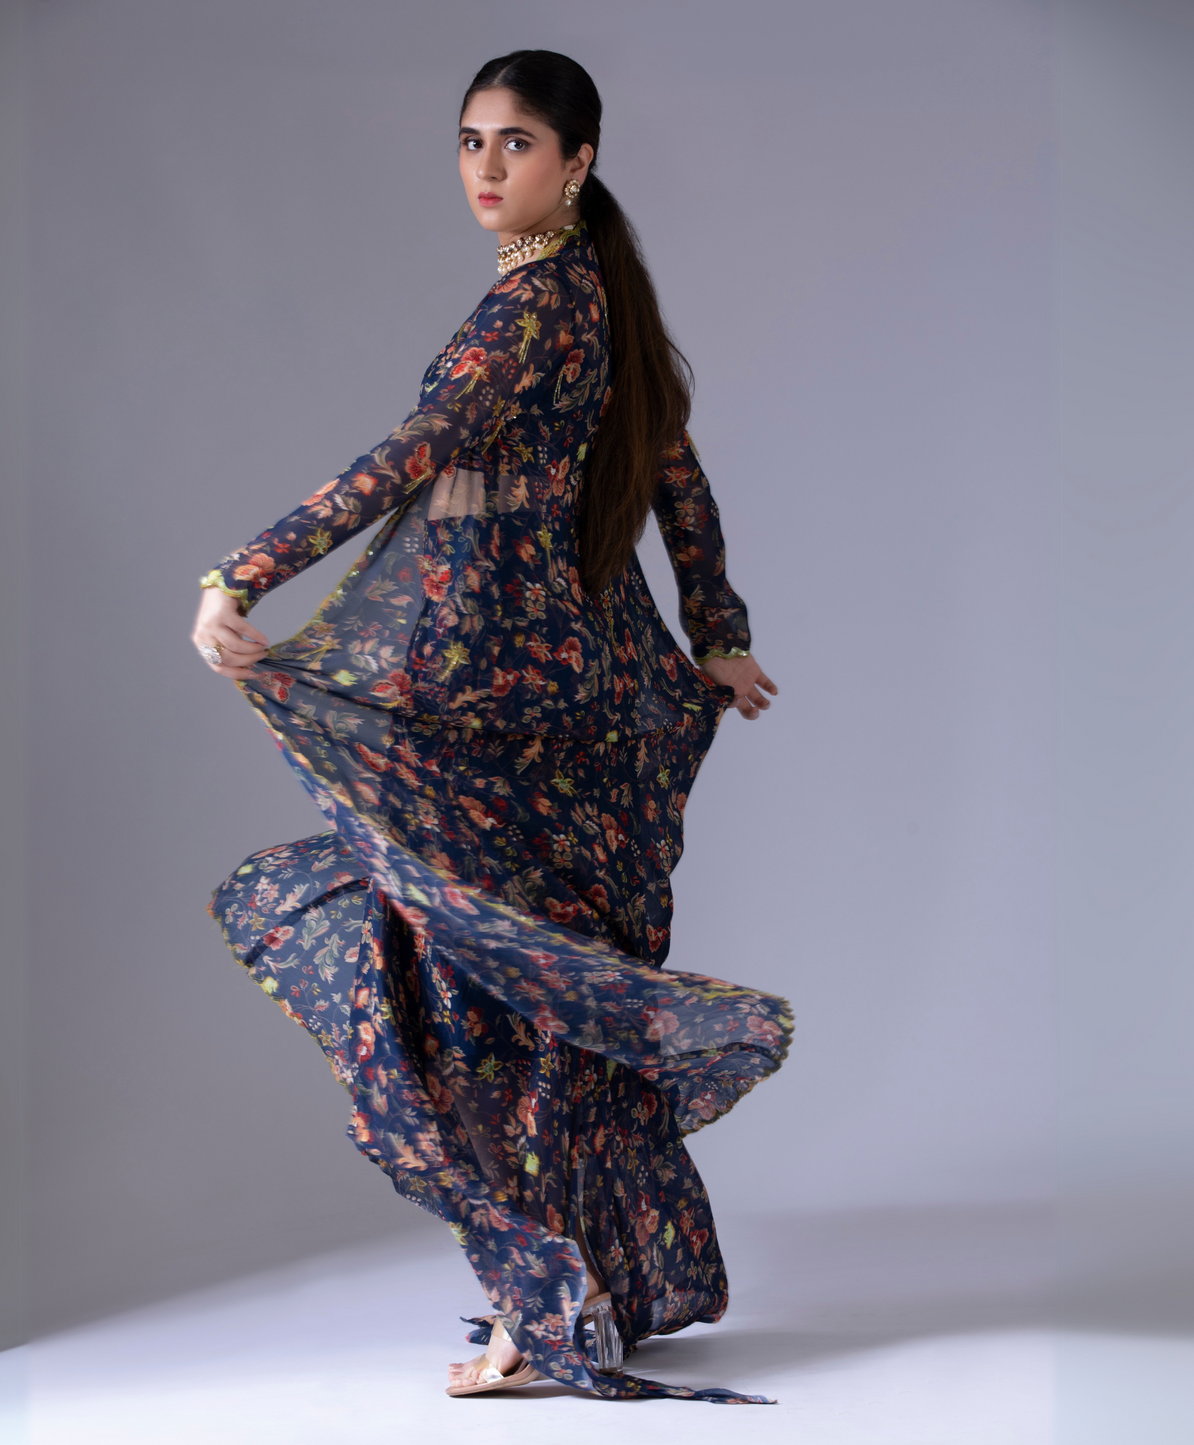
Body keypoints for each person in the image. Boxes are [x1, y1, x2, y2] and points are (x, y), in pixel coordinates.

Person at [192, 49, 791, 1403]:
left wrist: (243, 574)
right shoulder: (598, 297)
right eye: (470, 140)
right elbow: (679, 474)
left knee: (480, 979)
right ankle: (572, 1282)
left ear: (577, 161)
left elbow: (409, 455)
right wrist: (717, 628)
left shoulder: (533, 310)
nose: (484, 166)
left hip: (496, 692)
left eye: (515, 143)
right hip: (543, 684)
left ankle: (544, 1295)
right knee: (505, 975)